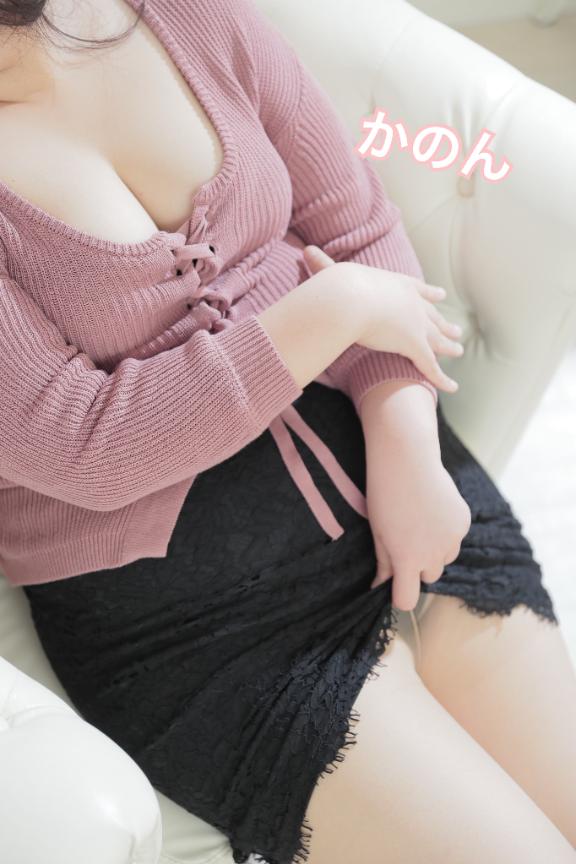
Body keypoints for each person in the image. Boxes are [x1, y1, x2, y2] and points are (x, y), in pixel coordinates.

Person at [1, 1, 575, 862]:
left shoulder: (185, 13)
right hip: (199, 627)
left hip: (390, 478)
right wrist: (333, 306)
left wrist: (406, 439)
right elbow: (86, 446)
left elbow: (359, 225)